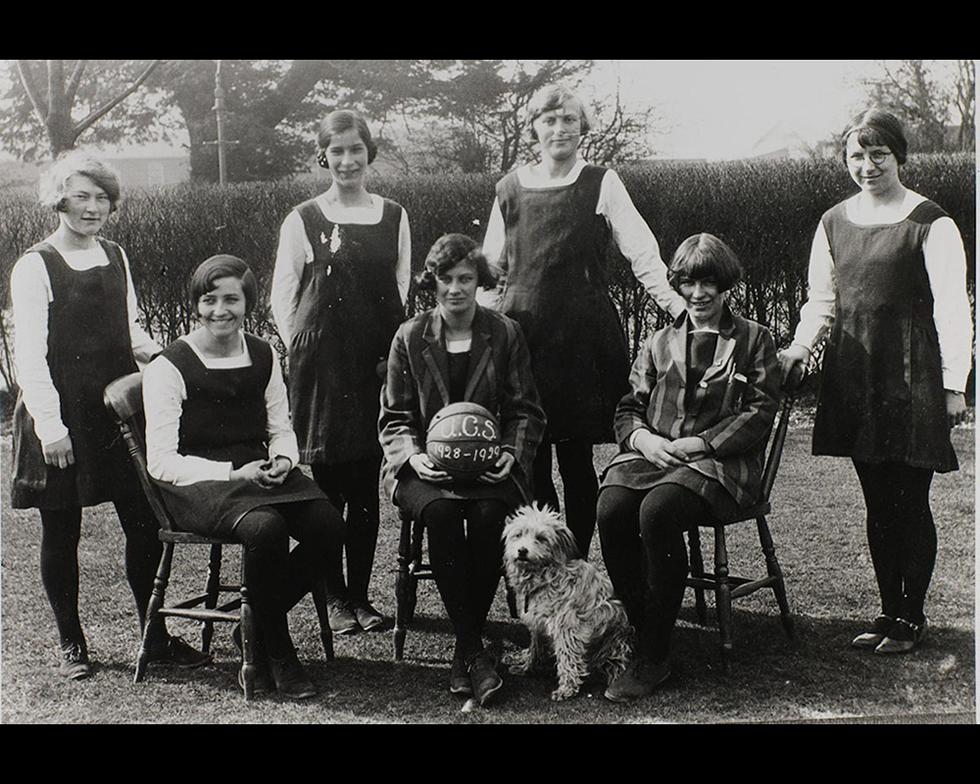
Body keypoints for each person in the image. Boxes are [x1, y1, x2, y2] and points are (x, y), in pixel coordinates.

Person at [8, 152, 210, 680]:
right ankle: (71, 642)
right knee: (62, 528)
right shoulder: (36, 264)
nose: (92, 207)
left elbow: (132, 330)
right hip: (62, 414)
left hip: (117, 411)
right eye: (81, 196)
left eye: (101, 197)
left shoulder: (116, 254)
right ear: (59, 199)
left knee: (144, 525)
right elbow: (29, 356)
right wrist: (52, 429)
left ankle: (155, 634)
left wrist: (173, 363)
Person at [779, 109, 972, 655]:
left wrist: (954, 384)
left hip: (911, 376)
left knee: (910, 499)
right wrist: (797, 349)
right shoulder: (833, 221)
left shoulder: (932, 222)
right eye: (855, 157)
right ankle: (889, 612)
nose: (866, 166)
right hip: (855, 374)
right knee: (877, 502)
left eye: (877, 155)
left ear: (900, 157)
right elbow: (821, 301)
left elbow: (955, 311)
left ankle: (912, 618)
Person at [481, 83, 685, 560]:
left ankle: (575, 563)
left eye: (569, 120)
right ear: (534, 128)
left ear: (582, 128)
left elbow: (644, 257)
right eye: (549, 120)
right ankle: (545, 563)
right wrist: (479, 334)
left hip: (582, 341)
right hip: (524, 339)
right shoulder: (509, 189)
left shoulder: (601, 181)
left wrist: (681, 310)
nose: (559, 129)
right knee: (531, 459)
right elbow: (490, 273)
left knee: (575, 459)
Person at [143, 255, 348, 700]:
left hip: (259, 472)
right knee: (265, 528)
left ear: (248, 302)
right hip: (199, 481)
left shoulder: (262, 352)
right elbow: (161, 461)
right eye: (209, 299)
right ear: (195, 304)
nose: (220, 310)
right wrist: (234, 472)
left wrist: (283, 461)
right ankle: (277, 649)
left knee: (330, 526)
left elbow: (280, 427)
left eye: (231, 299)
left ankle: (253, 627)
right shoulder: (169, 365)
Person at [597, 233, 781, 702]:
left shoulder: (753, 339)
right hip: (654, 455)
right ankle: (644, 627)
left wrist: (701, 442)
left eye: (709, 284)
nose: (698, 294)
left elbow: (760, 411)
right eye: (688, 283)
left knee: (657, 513)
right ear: (676, 285)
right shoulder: (658, 341)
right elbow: (628, 407)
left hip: (719, 463)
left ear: (726, 287)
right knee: (612, 509)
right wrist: (642, 439)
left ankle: (654, 657)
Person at [379, 234, 545, 706]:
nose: (456, 289)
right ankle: (473, 651)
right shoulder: (410, 336)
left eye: (466, 279)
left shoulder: (504, 332)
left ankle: (465, 652)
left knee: (494, 518)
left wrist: (511, 453)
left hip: (493, 466)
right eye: (446, 279)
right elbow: (394, 416)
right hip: (423, 469)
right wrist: (413, 456)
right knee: (443, 517)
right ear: (433, 282)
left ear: (480, 282)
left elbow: (525, 409)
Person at [271, 109, 410, 635]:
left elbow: (399, 289)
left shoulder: (394, 214)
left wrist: (387, 360)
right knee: (328, 492)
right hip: (323, 373)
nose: (347, 160)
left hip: (374, 368)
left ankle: (360, 596)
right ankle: (332, 598)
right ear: (324, 156)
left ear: (368, 153)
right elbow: (282, 299)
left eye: (356, 150)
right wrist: (308, 354)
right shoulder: (303, 217)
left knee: (366, 491)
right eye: (337, 151)